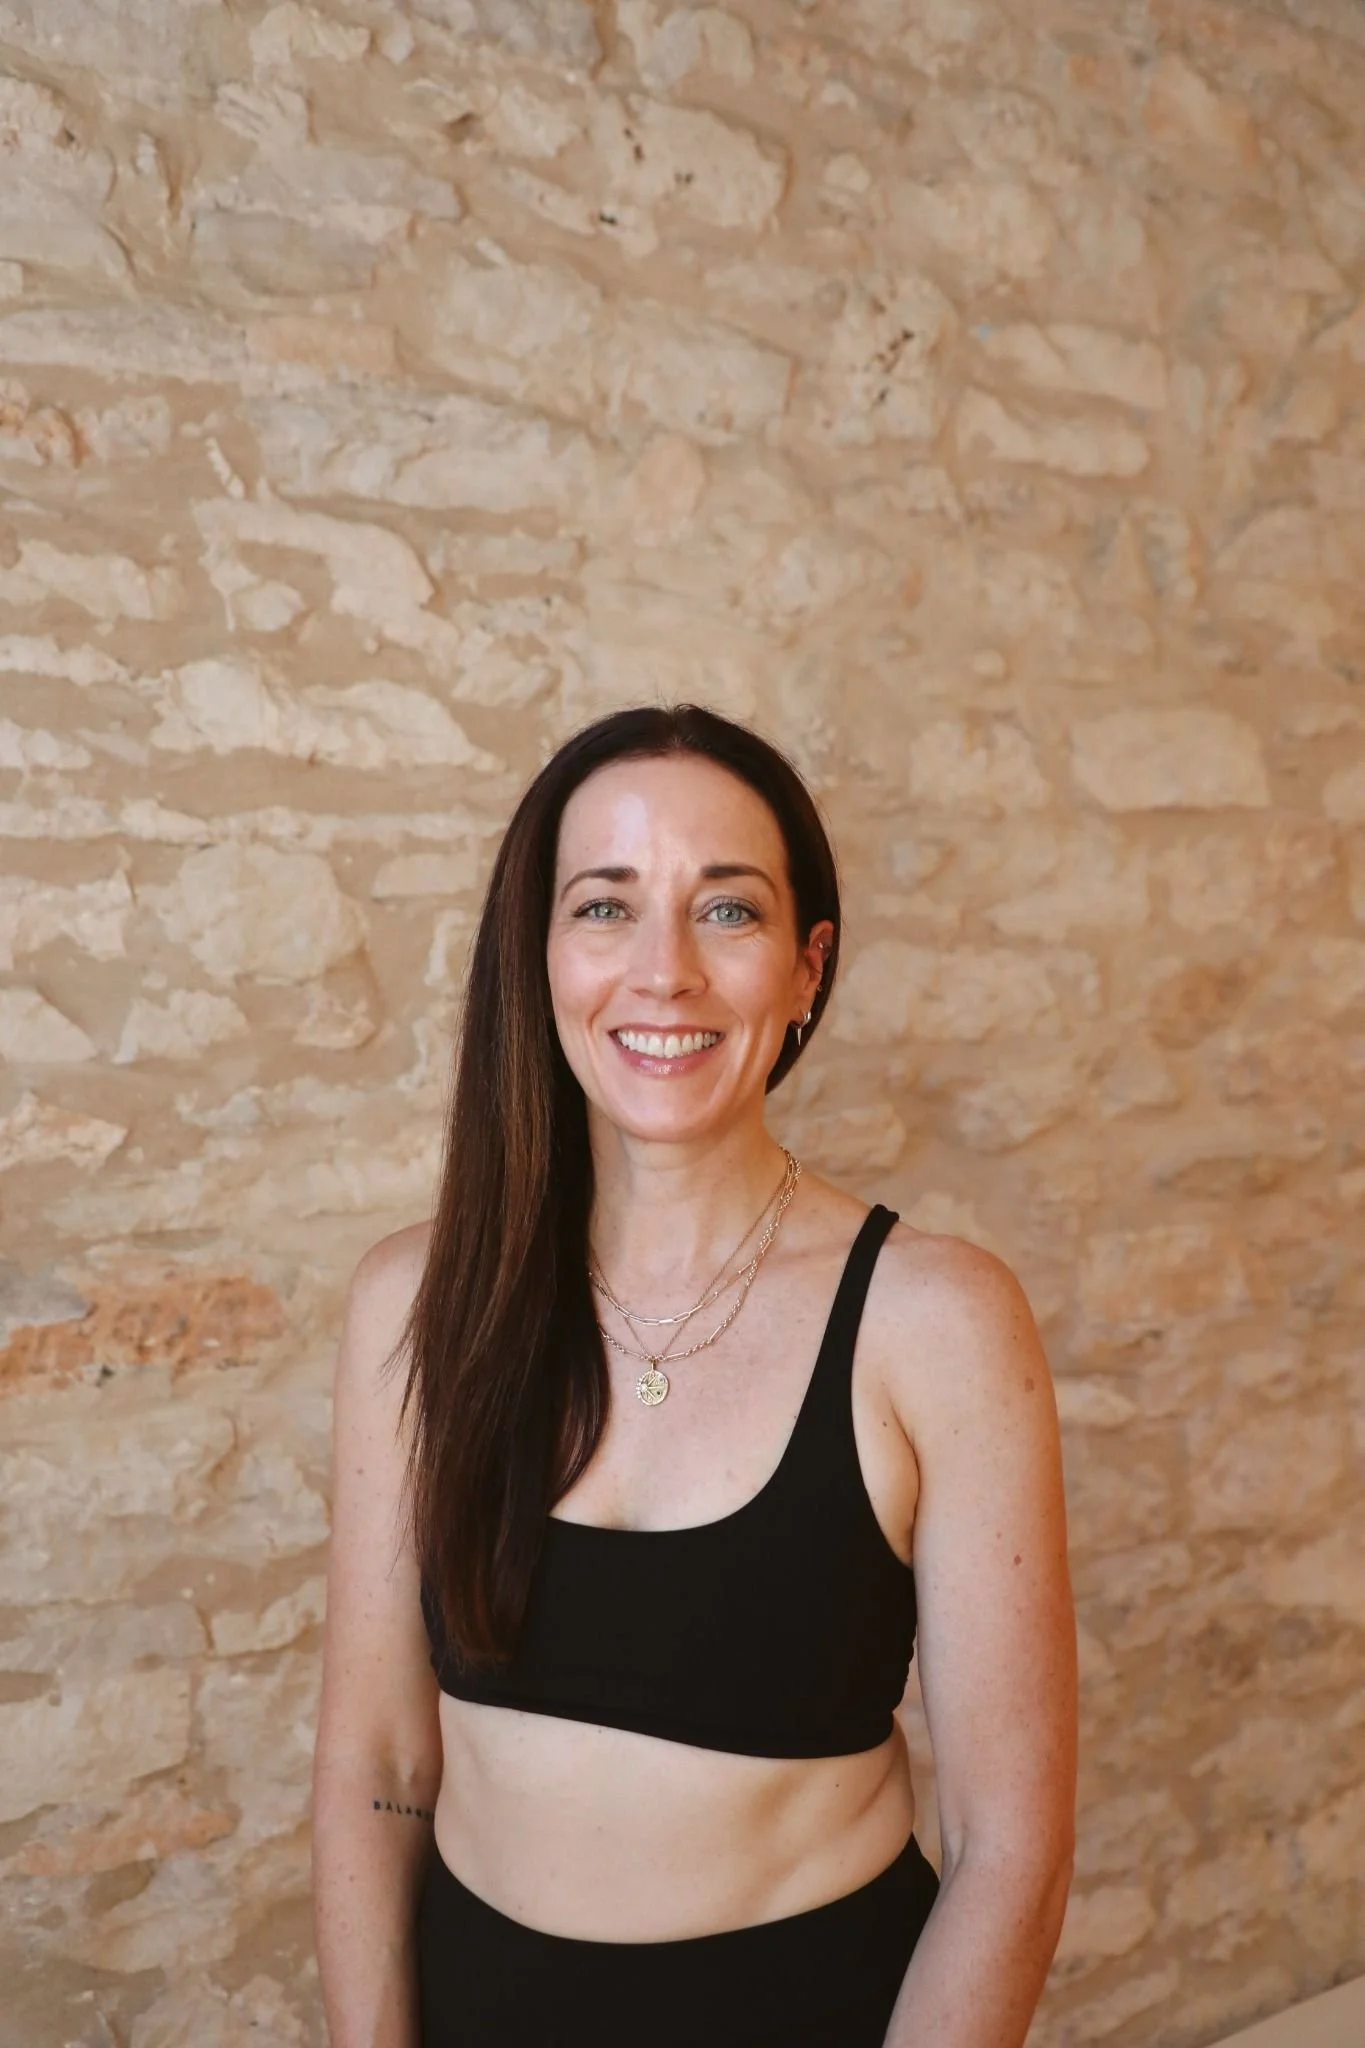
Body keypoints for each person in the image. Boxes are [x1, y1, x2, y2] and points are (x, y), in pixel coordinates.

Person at [312, 703, 1077, 2048]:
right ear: (540, 954)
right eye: (606, 908)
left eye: (727, 912)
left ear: (805, 966)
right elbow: (378, 1769)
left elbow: (1011, 1844)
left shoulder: (938, 1322)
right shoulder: (412, 1308)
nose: (662, 972)